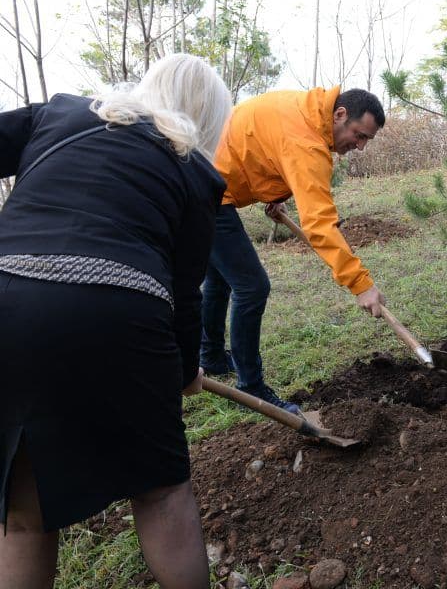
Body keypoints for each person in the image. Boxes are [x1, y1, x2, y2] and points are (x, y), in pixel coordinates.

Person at [0, 53, 232, 589]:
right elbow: (183, 292)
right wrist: (184, 370)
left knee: (24, 515)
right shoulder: (194, 168)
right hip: (117, 310)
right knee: (161, 490)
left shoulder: (59, 113)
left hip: (7, 301)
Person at [200, 86, 387, 413]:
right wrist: (361, 284)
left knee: (220, 279)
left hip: (203, 176)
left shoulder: (305, 109)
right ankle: (251, 386)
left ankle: (212, 357)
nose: (358, 146)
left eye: (366, 141)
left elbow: (265, 144)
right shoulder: (307, 142)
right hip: (206, 192)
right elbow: (320, 224)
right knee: (252, 287)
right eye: (358, 136)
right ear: (340, 114)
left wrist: (275, 191)